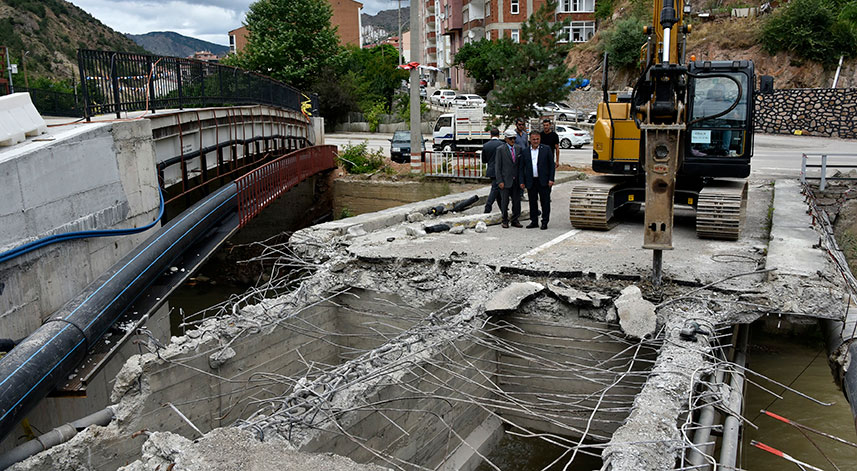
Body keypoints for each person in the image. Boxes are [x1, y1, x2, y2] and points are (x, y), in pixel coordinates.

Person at [519, 132, 555, 230]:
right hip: (531, 181)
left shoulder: (546, 149)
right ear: (530, 140)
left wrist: (551, 179)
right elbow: (521, 168)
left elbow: (552, 165)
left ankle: (544, 221)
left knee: (545, 202)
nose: (535, 141)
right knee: (532, 202)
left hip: (543, 180)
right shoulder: (525, 151)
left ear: (540, 139)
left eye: (537, 139)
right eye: (533, 139)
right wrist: (522, 181)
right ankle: (534, 221)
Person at [495, 129, 524, 228]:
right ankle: (505, 220)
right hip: (505, 180)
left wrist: (521, 180)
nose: (513, 140)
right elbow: (498, 167)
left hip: (516, 180)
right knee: (504, 202)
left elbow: (520, 166)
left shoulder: (518, 148)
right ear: (506, 139)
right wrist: (500, 180)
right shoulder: (500, 149)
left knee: (516, 202)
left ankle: (515, 219)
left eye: (514, 138)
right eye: (511, 138)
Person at [481, 128, 504, 213]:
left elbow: (484, 160)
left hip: (491, 170)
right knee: (495, 189)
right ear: (499, 134)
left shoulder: (486, 145)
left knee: (497, 190)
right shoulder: (502, 144)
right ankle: (488, 206)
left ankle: (503, 208)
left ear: (490, 134)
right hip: (500, 170)